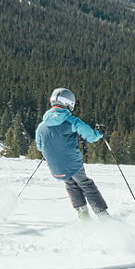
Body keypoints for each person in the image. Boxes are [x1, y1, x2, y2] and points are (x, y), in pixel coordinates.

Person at [35, 87, 109, 219]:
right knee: (86, 184)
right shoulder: (72, 121)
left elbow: (40, 147)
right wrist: (100, 132)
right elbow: (91, 137)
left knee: (70, 183)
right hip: (72, 164)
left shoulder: (41, 126)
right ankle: (102, 215)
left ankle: (82, 214)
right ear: (69, 103)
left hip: (55, 168)